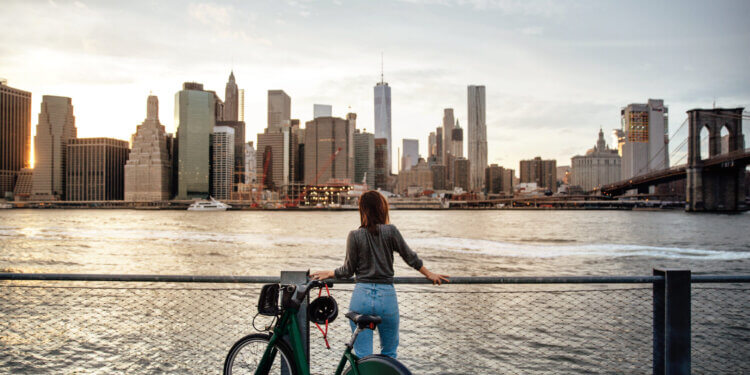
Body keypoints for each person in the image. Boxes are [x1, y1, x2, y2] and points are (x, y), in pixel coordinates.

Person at [312, 190, 449, 359]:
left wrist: (330, 272)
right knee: (389, 353)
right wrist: (429, 274)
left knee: (363, 357)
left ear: (362, 210)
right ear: (382, 209)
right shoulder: (390, 231)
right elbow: (410, 257)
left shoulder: (354, 235)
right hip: (386, 296)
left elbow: (347, 271)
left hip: (361, 295)